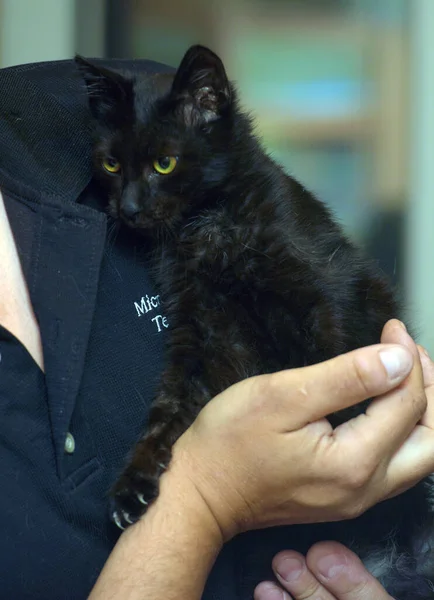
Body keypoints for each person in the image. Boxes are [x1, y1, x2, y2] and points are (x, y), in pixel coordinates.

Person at [1, 56, 433, 600]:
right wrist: (201, 496)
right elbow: (202, 355)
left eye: (158, 166)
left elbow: (334, 304)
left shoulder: (61, 111)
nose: (128, 204)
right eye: (114, 169)